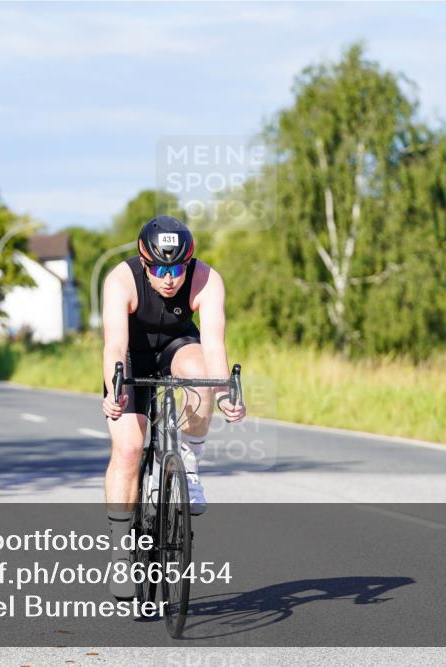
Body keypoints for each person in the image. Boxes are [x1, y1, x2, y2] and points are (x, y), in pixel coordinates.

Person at [100, 215, 246, 597]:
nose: (169, 278)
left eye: (177, 267)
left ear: (189, 262)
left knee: (202, 379)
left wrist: (226, 392)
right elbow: (114, 344)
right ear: (145, 262)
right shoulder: (120, 279)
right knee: (129, 448)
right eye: (160, 268)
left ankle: (190, 464)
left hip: (177, 347)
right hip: (131, 357)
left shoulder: (207, 279)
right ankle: (120, 553)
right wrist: (115, 390)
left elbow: (214, 344)